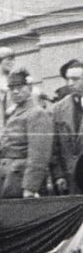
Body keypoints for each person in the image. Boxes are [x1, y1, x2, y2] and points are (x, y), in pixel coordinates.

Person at [0, 69, 53, 199]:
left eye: (20, 87)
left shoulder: (37, 113)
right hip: (7, 177)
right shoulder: (13, 113)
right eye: (11, 88)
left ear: (30, 88)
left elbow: (39, 154)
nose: (15, 91)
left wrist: (30, 187)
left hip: (21, 179)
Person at [50, 60, 83, 195]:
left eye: (75, 79)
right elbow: (54, 146)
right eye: (67, 79)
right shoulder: (59, 108)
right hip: (70, 181)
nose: (70, 83)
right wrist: (58, 175)